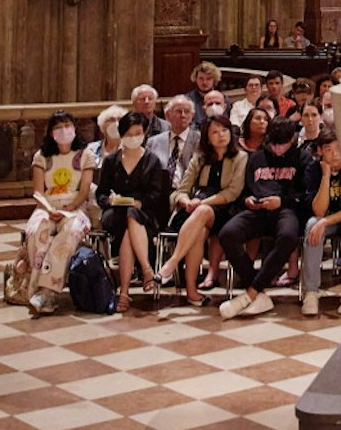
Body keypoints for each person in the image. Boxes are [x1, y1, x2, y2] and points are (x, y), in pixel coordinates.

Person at [218, 116, 309, 318]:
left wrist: (282, 201)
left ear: (292, 139)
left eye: (282, 145)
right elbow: (244, 189)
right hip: (257, 209)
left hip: (286, 210)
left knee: (288, 237)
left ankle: (251, 292)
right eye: (273, 144)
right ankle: (257, 290)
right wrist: (248, 200)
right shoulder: (257, 157)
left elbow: (304, 195)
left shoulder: (302, 158)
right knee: (228, 234)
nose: (277, 150)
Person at [7, 111, 94, 315]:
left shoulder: (85, 155)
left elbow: (84, 190)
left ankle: (49, 291)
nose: (63, 131)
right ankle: (35, 288)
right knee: (40, 231)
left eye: (67, 125)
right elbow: (38, 191)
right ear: (51, 132)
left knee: (69, 233)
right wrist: (49, 209)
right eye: (58, 127)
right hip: (47, 205)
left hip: (74, 206)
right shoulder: (41, 156)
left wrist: (69, 209)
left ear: (74, 128)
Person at [156, 114, 247, 304]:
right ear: (207, 136)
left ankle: (172, 263)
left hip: (222, 208)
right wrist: (186, 202)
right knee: (198, 231)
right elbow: (181, 190)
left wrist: (202, 203)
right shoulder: (199, 157)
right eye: (215, 132)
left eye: (224, 130)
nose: (221, 135)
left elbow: (233, 192)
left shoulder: (240, 157)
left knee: (203, 212)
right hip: (192, 209)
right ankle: (192, 292)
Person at [96, 112, 170, 312]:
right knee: (128, 219)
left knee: (132, 221)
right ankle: (147, 270)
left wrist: (140, 203)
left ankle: (124, 292)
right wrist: (109, 200)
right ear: (121, 135)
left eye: (138, 133)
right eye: (129, 133)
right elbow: (100, 194)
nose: (134, 137)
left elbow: (156, 196)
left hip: (144, 214)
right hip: (115, 214)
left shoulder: (152, 160)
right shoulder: (111, 161)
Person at [301, 126, 341, 317]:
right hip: (327, 218)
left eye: (339, 148)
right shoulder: (313, 169)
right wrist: (326, 175)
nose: (335, 154)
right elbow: (318, 210)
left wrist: (325, 221)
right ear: (320, 151)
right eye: (328, 149)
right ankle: (311, 292)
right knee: (312, 224)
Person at [146, 96, 201, 190]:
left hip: (188, 191)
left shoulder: (200, 140)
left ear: (192, 116)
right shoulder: (153, 142)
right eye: (178, 111)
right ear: (167, 116)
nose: (183, 115)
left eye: (187, 111)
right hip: (158, 191)